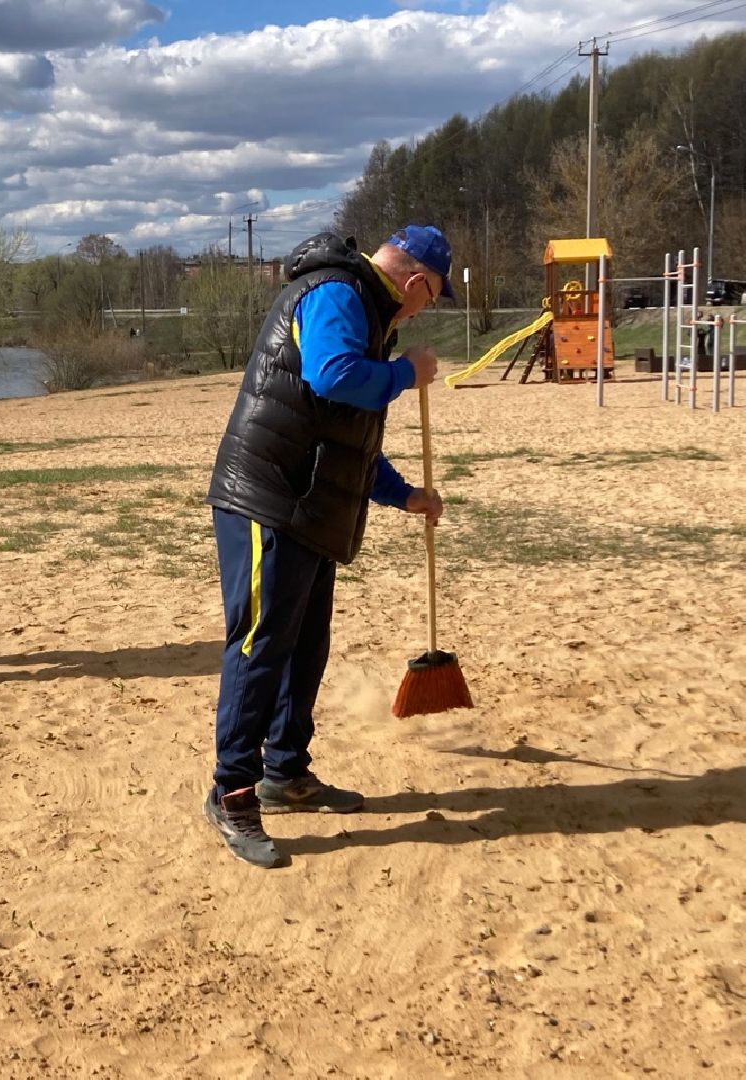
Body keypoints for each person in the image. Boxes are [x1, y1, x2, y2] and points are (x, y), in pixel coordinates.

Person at [202, 225, 452, 868]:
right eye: (433, 297)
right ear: (417, 282)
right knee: (260, 646)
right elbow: (333, 377)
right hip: (267, 498)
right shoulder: (337, 293)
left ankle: (284, 773)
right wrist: (404, 373)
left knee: (304, 644)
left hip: (307, 504)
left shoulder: (366, 312)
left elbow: (345, 437)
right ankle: (232, 794)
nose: (425, 309)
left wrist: (405, 496)